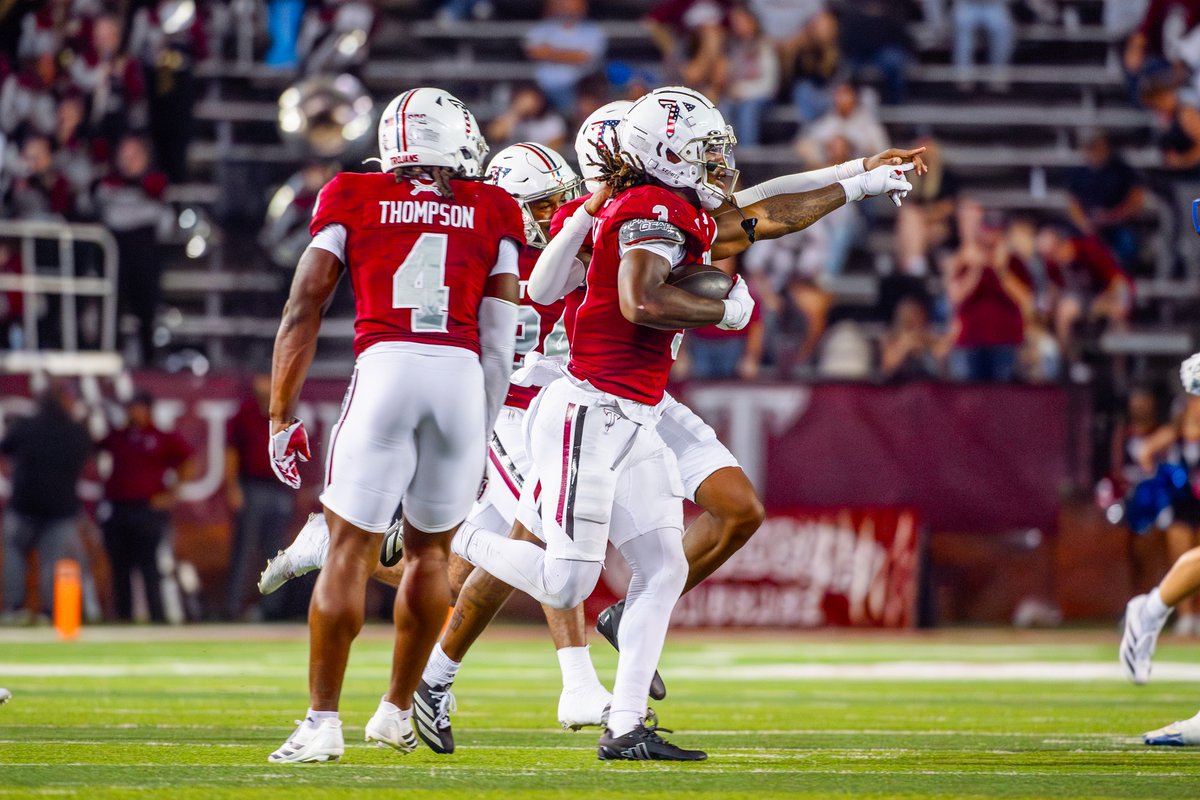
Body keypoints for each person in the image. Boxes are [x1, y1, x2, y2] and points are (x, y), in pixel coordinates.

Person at [451, 86, 914, 761]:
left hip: (637, 404)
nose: (717, 161)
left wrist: (861, 176)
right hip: (583, 403)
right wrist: (723, 313)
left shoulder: (666, 207)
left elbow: (764, 210)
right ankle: (473, 547)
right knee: (564, 577)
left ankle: (626, 723)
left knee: (668, 561)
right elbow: (635, 299)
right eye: (702, 150)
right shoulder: (630, 211)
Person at [264, 87, 521, 764]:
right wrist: (482, 427)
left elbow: (302, 306)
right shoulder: (494, 206)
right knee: (432, 555)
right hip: (461, 376)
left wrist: (280, 415)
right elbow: (501, 343)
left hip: (387, 366)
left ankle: (322, 724)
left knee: (347, 548)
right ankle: (397, 711)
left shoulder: (350, 193)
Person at [98, 391, 194, 623]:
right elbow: (94, 450)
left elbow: (188, 460)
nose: (133, 412)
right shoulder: (118, 436)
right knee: (120, 568)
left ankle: (156, 617)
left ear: (148, 410)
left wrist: (172, 494)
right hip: (119, 509)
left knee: (149, 566)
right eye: (130, 407)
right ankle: (123, 617)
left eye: (137, 407)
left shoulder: (160, 436)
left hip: (146, 510)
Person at [1, 382, 92, 624]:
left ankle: (14, 609)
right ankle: (48, 612)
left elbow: (5, 449)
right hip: (59, 508)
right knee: (52, 562)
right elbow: (87, 455)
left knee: (14, 556)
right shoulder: (76, 431)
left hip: (24, 504)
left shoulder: (26, 426)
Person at [223, 373, 297, 620]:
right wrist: (233, 487)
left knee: (276, 551)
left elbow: (295, 454)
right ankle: (233, 606)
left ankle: (271, 609)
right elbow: (231, 452)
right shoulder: (245, 414)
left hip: (279, 489)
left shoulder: (285, 414)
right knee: (245, 549)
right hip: (252, 487)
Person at [95, 135, 170, 367]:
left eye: (134, 156)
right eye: (124, 156)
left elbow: (167, 224)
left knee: (146, 311)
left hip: (144, 254)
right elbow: (103, 212)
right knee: (111, 307)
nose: (128, 162)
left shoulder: (155, 187)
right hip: (116, 253)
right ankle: (109, 357)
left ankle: (149, 361)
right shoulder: (106, 186)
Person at [943, 204, 1034, 382]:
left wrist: (1002, 271)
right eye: (989, 230)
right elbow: (955, 297)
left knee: (1001, 398)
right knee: (968, 400)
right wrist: (977, 268)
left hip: (1006, 340)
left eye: (997, 231)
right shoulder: (967, 260)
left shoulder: (1014, 262)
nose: (992, 236)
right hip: (970, 340)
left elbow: (1026, 299)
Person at [1065, 131, 1146, 267]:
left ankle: (1124, 276)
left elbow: (1136, 196)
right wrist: (1085, 223)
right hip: (1091, 224)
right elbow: (1073, 203)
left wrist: (1116, 215)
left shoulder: (1121, 169)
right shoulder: (1079, 173)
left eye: (1096, 146)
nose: (1093, 152)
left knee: (1127, 244)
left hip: (1118, 223)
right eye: (1090, 147)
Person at [523, 0, 606, 116]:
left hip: (579, 87)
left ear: (583, 5)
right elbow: (533, 52)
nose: (567, 6)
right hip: (541, 87)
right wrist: (570, 55)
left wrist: (549, 52)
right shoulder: (544, 27)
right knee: (526, 101)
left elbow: (585, 57)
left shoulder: (593, 30)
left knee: (587, 104)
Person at [716, 3, 778, 147]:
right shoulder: (731, 47)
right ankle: (723, 152)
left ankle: (748, 155)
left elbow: (770, 85)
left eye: (740, 21)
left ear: (752, 21)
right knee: (722, 108)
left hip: (761, 96)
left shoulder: (765, 45)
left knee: (748, 110)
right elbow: (726, 81)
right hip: (734, 97)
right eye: (734, 22)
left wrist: (742, 91)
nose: (736, 26)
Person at [794, 82, 889, 169]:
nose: (840, 98)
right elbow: (803, 145)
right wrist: (824, 158)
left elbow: (883, 151)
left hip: (861, 172)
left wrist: (849, 147)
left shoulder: (867, 123)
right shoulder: (828, 120)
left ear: (854, 97)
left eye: (845, 94)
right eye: (838, 94)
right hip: (830, 172)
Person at [952, 0, 1014, 90]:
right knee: (962, 24)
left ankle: (997, 73)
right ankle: (964, 74)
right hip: (967, 5)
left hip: (994, 5)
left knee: (1003, 28)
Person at [485, 86, 568, 153]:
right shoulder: (510, 116)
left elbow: (553, 151)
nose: (528, 104)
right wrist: (516, 112)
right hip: (509, 160)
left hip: (538, 164)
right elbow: (494, 136)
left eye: (532, 100)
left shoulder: (552, 122)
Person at [880, 294, 942, 381]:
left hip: (928, 387)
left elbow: (943, 372)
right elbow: (887, 370)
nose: (916, 319)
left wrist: (928, 347)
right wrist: (905, 346)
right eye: (912, 315)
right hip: (900, 387)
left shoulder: (931, 337)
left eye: (919, 314)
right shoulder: (892, 338)